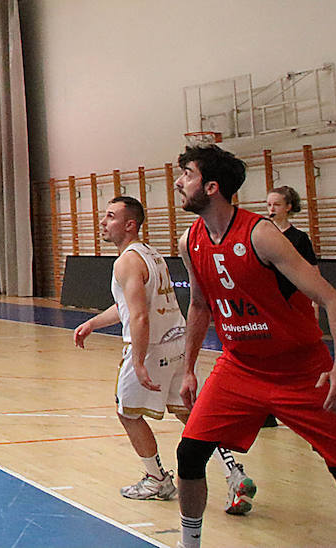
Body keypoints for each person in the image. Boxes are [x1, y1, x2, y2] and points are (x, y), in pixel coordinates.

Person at [173, 144, 336, 548]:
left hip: (302, 371)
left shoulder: (261, 235)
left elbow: (335, 302)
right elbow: (198, 305)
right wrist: (188, 368)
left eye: (187, 174)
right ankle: (190, 543)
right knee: (189, 454)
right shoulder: (189, 241)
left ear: (211, 187)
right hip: (239, 368)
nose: (179, 182)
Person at [72, 196, 252, 510]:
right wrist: (93, 323)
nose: (104, 222)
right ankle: (233, 471)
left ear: (130, 224)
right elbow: (129, 306)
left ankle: (156, 478)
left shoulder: (126, 260)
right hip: (177, 341)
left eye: (111, 216)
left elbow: (139, 316)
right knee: (187, 413)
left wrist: (139, 361)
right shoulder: (151, 255)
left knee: (127, 412)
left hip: (151, 347)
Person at [266, 185, 318, 265]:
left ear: (288, 207)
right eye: (269, 205)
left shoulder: (300, 238)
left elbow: (312, 266)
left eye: (277, 205)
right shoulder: (264, 233)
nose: (272, 209)